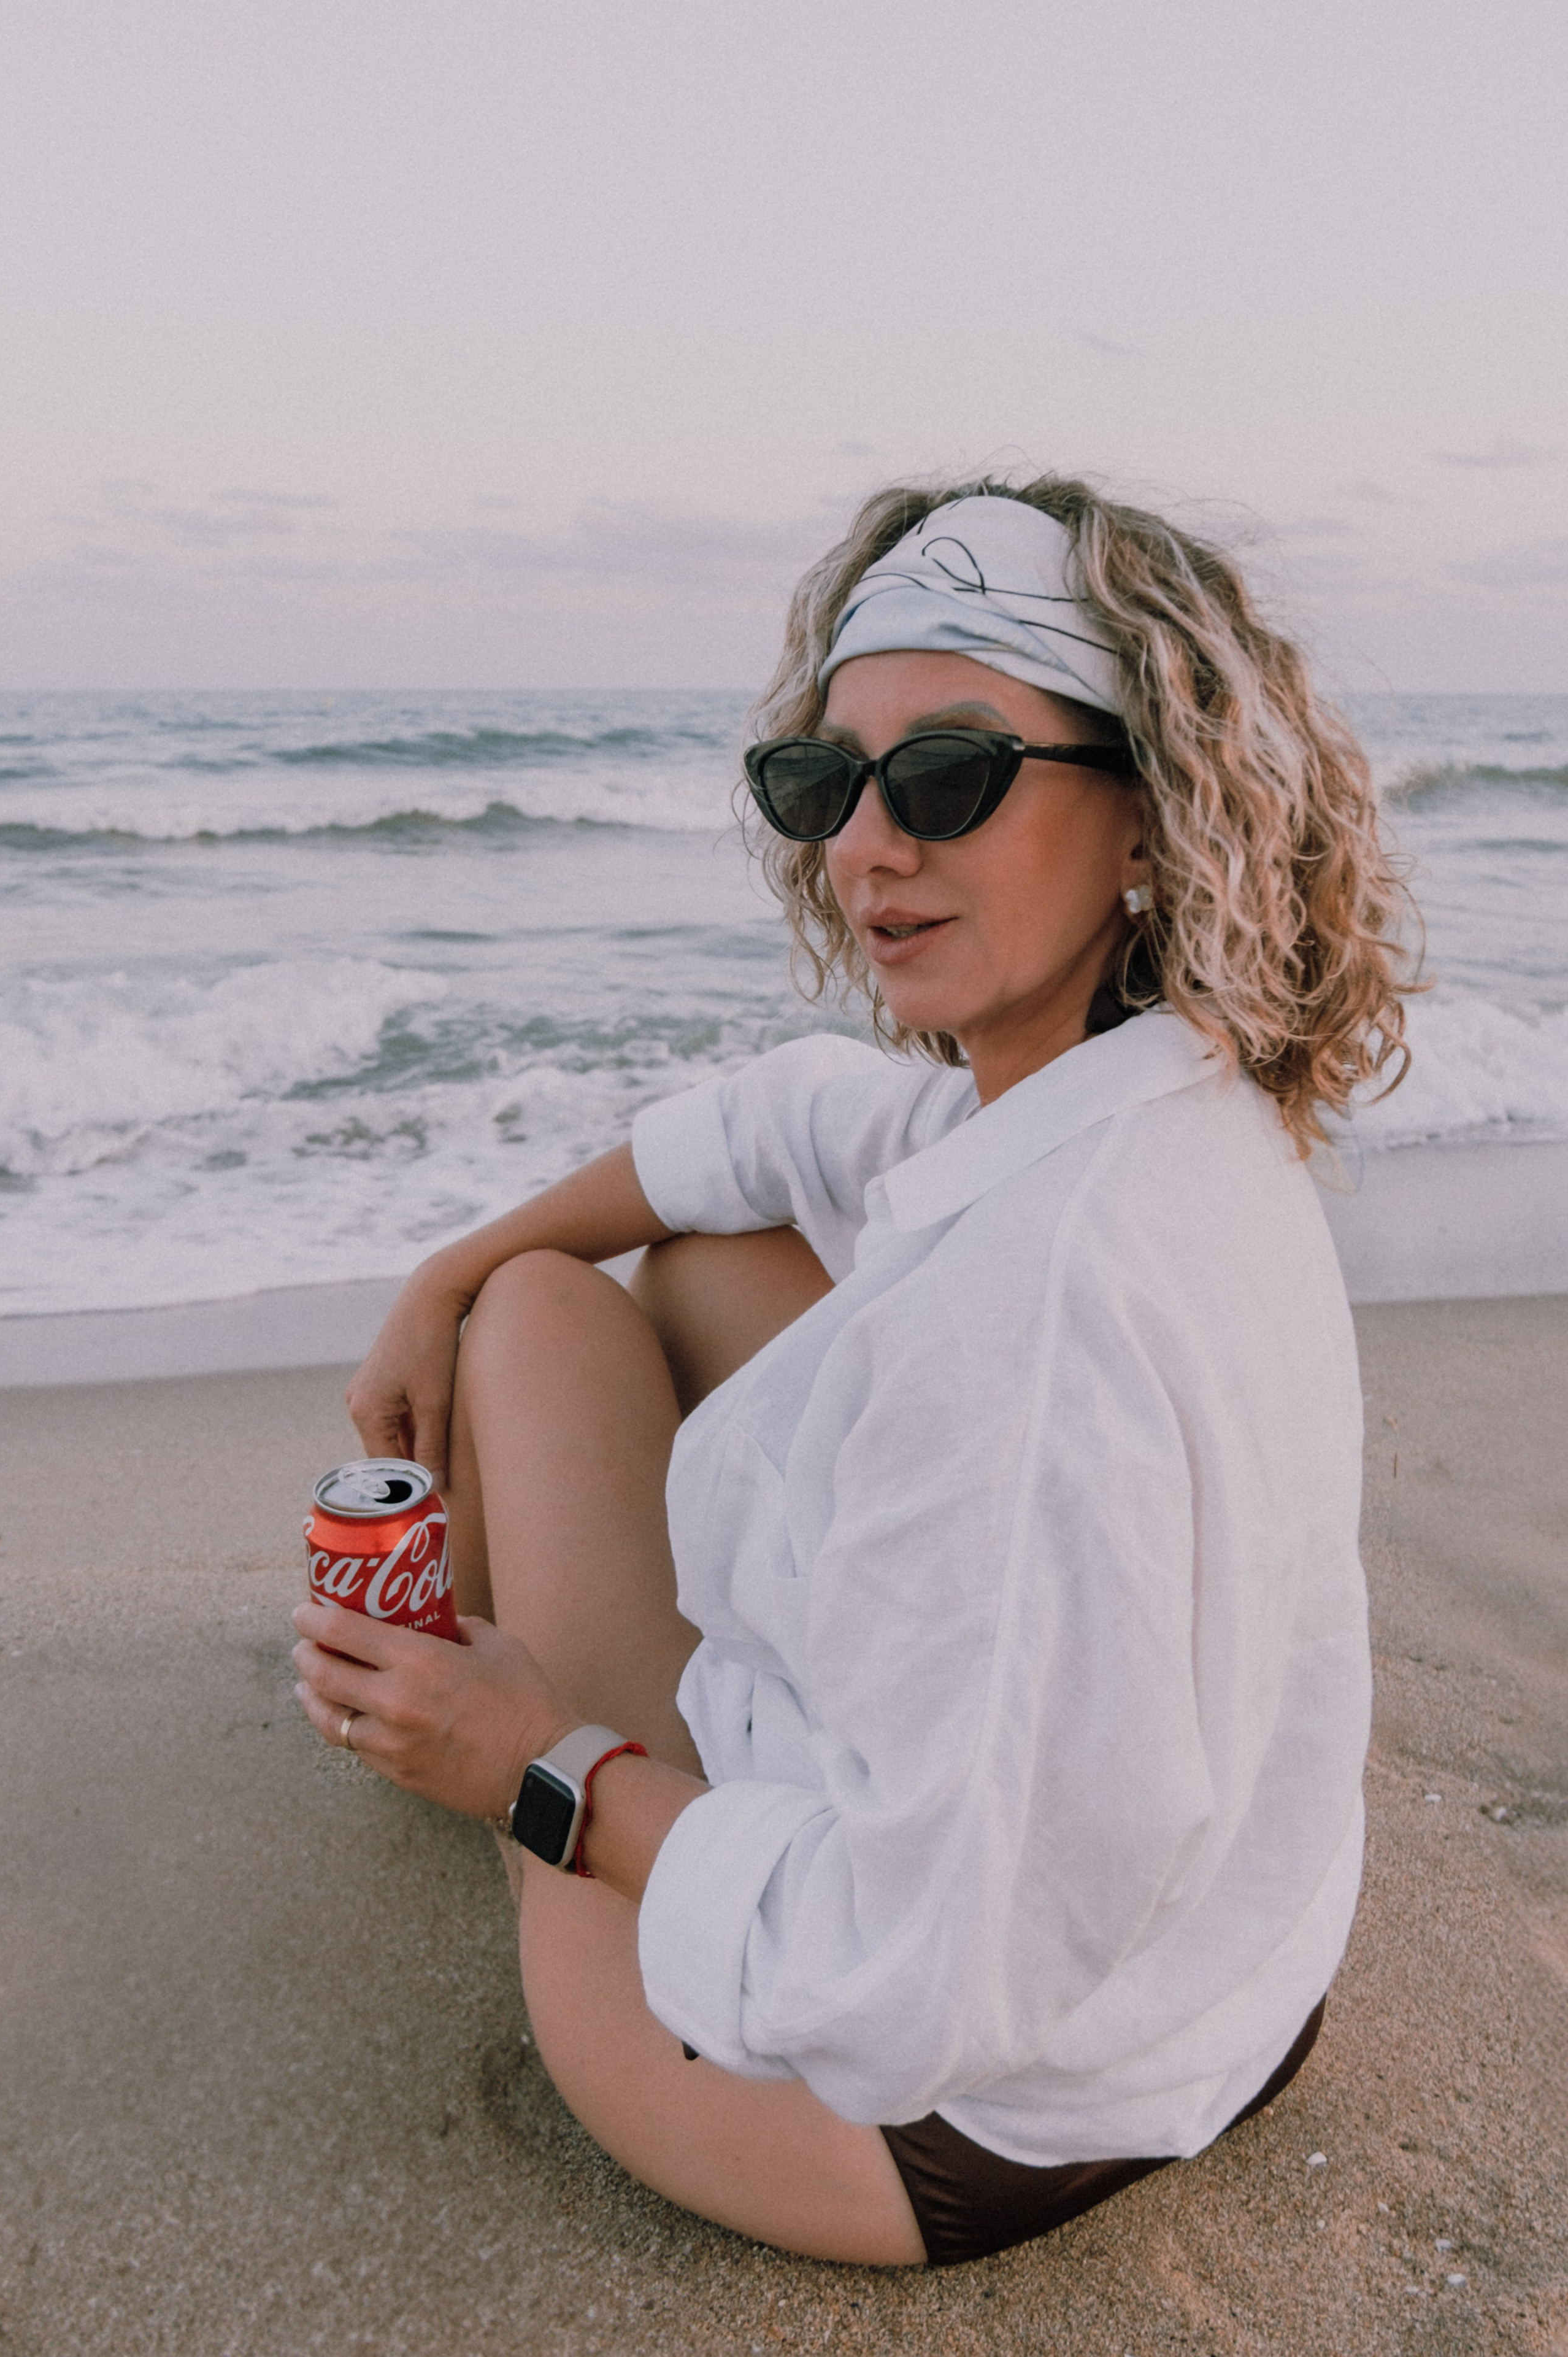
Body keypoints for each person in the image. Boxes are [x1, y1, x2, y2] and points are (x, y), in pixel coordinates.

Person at [292, 476, 1415, 2268]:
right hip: (1222, 1985)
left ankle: (462, 1751)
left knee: (540, 1324)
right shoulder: (1162, 1093)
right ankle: (505, 1678)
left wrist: (541, 1766)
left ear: (1149, 805)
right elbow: (793, 1122)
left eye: (951, 775)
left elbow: (908, 1965)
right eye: (826, 784)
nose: (868, 845)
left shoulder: (1034, 1325)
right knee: (647, 1259)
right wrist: (445, 1259)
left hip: (921, 2111)